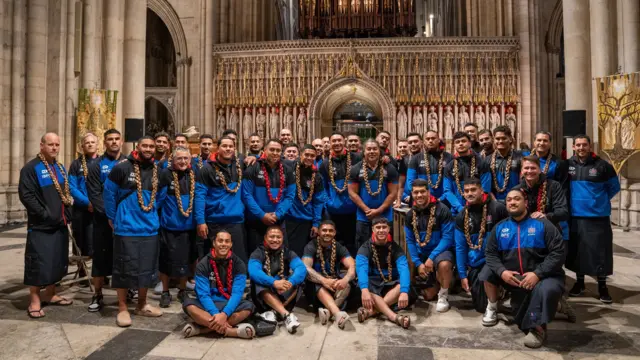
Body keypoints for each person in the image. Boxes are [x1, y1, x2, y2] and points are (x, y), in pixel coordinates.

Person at [482, 189, 566, 348]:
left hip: (545, 277)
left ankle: (538, 329)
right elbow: (490, 254)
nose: (512, 202)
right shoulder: (500, 228)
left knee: (545, 292)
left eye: (516, 199)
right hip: (516, 279)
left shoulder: (543, 224)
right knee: (521, 321)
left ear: (526, 203)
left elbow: (559, 252)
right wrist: (502, 272)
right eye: (509, 200)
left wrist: (537, 274)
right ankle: (557, 305)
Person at [104, 136, 165, 327]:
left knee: (146, 269)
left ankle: (142, 304)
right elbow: (108, 192)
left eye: (151, 146)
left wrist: (152, 209)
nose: (148, 149)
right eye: (144, 145)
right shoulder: (122, 167)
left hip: (149, 228)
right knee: (124, 268)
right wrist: (113, 218)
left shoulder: (158, 170)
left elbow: (161, 195)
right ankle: (122, 308)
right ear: (137, 147)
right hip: (127, 227)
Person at [19, 132, 74, 318]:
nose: (54, 148)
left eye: (57, 145)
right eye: (50, 144)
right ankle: (34, 300)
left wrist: (67, 214)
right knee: (38, 262)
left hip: (59, 224)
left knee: (56, 261)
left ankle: (50, 294)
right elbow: (27, 195)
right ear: (42, 145)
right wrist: (45, 215)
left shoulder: (59, 167)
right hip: (41, 226)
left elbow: (65, 193)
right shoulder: (31, 168)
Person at [566, 135, 620, 303]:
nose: (581, 147)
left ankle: (602, 286)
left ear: (590, 146)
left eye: (584, 145)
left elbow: (614, 187)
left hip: (598, 216)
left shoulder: (603, 166)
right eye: (578, 145)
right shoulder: (567, 165)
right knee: (578, 252)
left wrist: (597, 201)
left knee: (600, 252)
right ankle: (580, 283)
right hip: (575, 216)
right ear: (573, 147)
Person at [182, 230, 257, 339]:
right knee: (189, 305)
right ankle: (231, 331)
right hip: (209, 304)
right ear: (214, 243)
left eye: (227, 241)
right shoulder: (203, 264)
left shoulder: (239, 264)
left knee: (248, 307)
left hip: (229, 303)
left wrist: (224, 314)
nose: (223, 244)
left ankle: (203, 330)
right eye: (220, 241)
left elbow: (237, 294)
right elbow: (203, 295)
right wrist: (216, 314)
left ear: (231, 244)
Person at [86, 129, 127, 312]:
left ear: (122, 141)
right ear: (105, 142)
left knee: (126, 257)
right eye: (110, 139)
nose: (114, 142)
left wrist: (121, 215)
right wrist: (110, 215)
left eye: (117, 139)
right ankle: (98, 294)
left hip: (125, 220)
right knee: (101, 259)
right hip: (103, 221)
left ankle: (128, 292)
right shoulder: (96, 165)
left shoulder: (129, 163)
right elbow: (94, 193)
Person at [454, 178, 508, 314]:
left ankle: (502, 289)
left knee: (487, 275)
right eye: (466, 191)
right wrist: (462, 275)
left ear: (481, 190)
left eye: (473, 190)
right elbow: (460, 247)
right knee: (480, 307)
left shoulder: (497, 208)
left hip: (496, 261)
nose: (469, 193)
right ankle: (494, 296)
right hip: (475, 263)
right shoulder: (462, 216)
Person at [404, 179, 455, 312]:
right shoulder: (410, 215)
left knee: (444, 265)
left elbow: (448, 238)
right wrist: (417, 263)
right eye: (416, 192)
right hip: (422, 254)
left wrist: (431, 258)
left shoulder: (442, 210)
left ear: (428, 191)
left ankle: (443, 295)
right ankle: (409, 292)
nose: (419, 195)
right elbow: (409, 240)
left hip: (441, 252)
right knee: (428, 296)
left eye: (422, 192)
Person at [195, 136, 247, 262]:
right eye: (224, 146)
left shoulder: (240, 164)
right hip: (214, 220)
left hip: (235, 221)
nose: (228, 149)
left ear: (235, 148)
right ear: (217, 148)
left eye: (231, 146)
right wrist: (200, 221)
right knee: (215, 259)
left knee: (237, 260)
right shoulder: (206, 169)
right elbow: (200, 195)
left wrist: (253, 157)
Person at [157, 147, 196, 307]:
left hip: (189, 226)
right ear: (172, 160)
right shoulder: (166, 174)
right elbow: (159, 199)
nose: (183, 162)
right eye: (179, 158)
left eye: (186, 158)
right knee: (166, 260)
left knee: (186, 260)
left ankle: (182, 290)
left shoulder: (194, 174)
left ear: (190, 160)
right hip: (169, 226)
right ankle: (165, 292)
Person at [248, 226, 307, 334]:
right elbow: (253, 271)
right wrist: (274, 283)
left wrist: (290, 282)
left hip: (283, 293)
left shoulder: (288, 252)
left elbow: (301, 268)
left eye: (278, 237)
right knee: (257, 281)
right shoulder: (258, 252)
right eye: (272, 237)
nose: (275, 240)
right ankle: (286, 315)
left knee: (299, 281)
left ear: (282, 238)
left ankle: (274, 312)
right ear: (265, 238)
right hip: (264, 296)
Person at [242, 139, 296, 254]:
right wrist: (262, 215)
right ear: (264, 150)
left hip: (278, 220)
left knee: (281, 256)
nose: (275, 153)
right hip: (255, 221)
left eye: (278, 150)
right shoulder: (253, 167)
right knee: (256, 255)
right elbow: (247, 195)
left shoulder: (288, 170)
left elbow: (290, 196)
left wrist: (278, 214)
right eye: (272, 149)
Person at [356, 217, 411, 329]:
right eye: (378, 227)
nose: (381, 230)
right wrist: (364, 289)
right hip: (374, 283)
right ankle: (394, 317)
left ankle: (371, 312)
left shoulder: (396, 248)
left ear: (388, 229)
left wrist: (404, 291)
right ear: (373, 229)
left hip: (391, 282)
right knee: (367, 288)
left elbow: (404, 268)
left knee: (402, 286)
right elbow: (361, 269)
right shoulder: (365, 248)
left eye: (384, 227)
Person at [302, 220, 355, 329]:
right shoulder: (311, 246)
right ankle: (337, 314)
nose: (327, 233)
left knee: (348, 284)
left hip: (334, 284)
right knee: (317, 285)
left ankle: (328, 313)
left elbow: (352, 266)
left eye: (330, 231)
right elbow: (305, 268)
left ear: (334, 233)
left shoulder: (338, 246)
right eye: (324, 230)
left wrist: (345, 279)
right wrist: (324, 281)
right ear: (319, 232)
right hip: (317, 287)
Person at [348, 139, 399, 250]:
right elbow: (352, 193)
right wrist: (367, 210)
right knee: (363, 248)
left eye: (375, 149)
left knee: (386, 248)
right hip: (363, 217)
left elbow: (393, 193)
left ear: (379, 151)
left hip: (385, 216)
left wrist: (379, 211)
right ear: (363, 151)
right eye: (369, 149)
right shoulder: (356, 169)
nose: (372, 151)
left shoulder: (389, 168)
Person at [320, 133, 362, 256]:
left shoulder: (357, 158)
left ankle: (353, 269)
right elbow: (322, 187)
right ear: (330, 143)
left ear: (344, 141)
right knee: (335, 242)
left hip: (353, 209)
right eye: (334, 141)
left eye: (339, 140)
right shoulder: (325, 163)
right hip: (334, 210)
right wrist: (328, 202)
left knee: (353, 241)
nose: (337, 143)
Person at [285, 145, 328, 257]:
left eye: (312, 155)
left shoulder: (317, 176)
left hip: (306, 220)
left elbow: (318, 202)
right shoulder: (288, 168)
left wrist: (316, 223)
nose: (309, 158)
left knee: (303, 253)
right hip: (288, 219)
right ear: (300, 155)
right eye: (306, 155)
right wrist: (254, 158)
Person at [443, 132, 491, 216]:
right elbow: (448, 191)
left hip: (479, 210)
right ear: (454, 145)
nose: (461, 144)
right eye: (457, 142)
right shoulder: (449, 167)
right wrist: (459, 208)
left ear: (469, 143)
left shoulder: (481, 163)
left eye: (463, 141)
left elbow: (485, 189)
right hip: (457, 212)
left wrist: (476, 206)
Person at [69, 133, 99, 261]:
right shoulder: (76, 164)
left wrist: (97, 203)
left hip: (99, 210)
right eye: (87, 142)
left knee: (98, 243)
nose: (90, 144)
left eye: (93, 142)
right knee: (81, 243)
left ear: (98, 145)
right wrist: (87, 202)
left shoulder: (103, 163)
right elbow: (71, 187)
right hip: (81, 209)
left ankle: (99, 276)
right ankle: (82, 273)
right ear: (82, 146)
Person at [404, 130, 453, 202]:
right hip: (421, 201)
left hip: (445, 201)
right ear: (424, 141)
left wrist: (441, 199)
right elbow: (410, 182)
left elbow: (452, 182)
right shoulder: (416, 158)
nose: (430, 141)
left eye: (433, 138)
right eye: (428, 139)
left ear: (439, 140)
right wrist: (423, 197)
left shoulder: (449, 157)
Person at [484, 126, 522, 202]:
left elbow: (524, 182)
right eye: (497, 139)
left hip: (515, 201)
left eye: (504, 138)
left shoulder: (520, 158)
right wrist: (493, 200)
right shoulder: (487, 160)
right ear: (493, 140)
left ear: (510, 139)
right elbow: (485, 183)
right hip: (494, 201)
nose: (500, 141)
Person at [396, 133, 423, 207]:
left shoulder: (428, 158)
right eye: (410, 142)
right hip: (410, 199)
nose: (413, 144)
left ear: (421, 142)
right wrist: (399, 201)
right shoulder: (405, 160)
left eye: (415, 141)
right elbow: (401, 185)